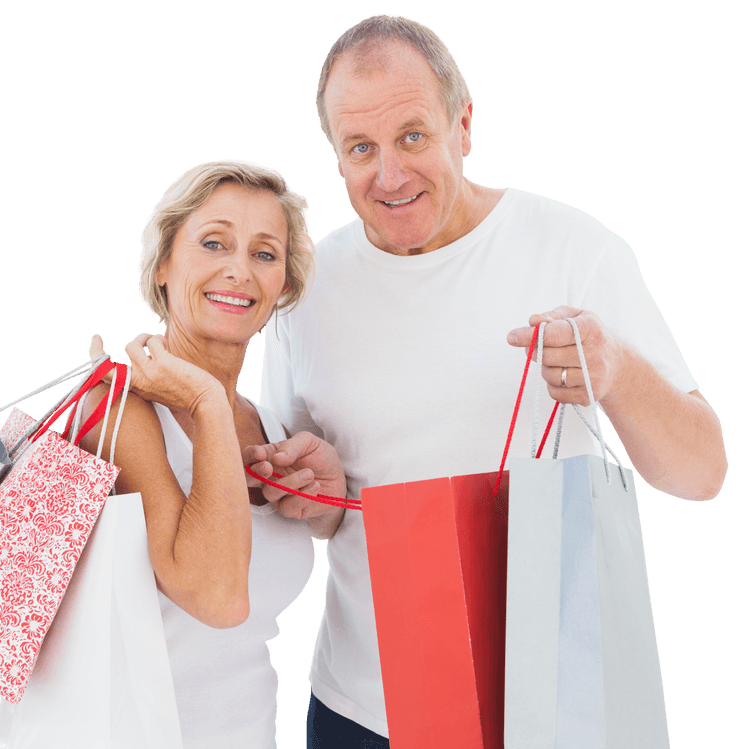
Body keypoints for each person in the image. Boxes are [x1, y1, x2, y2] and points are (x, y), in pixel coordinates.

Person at [248, 13, 729, 748]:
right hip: (367, 710)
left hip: (555, 702)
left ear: (463, 124)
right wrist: (314, 490)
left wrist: (620, 374)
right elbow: (314, 512)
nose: (390, 174)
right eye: (360, 148)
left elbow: (702, 471)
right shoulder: (302, 290)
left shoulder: (573, 248)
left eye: (413, 136)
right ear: (335, 156)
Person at [0, 159, 345, 748]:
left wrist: (329, 503)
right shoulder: (116, 411)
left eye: (265, 253)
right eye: (214, 243)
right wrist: (207, 402)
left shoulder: (269, 423)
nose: (239, 270)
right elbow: (217, 597)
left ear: (284, 282)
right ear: (163, 265)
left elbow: (305, 539)